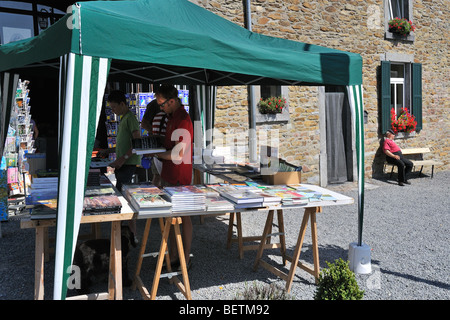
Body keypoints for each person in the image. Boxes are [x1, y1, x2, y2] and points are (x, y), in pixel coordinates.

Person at [152, 84, 194, 269]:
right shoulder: (171, 117)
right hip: (169, 172)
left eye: (162, 104)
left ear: (172, 101)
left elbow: (178, 153)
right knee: (171, 217)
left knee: (183, 217)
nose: (160, 108)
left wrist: (157, 153)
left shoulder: (183, 120)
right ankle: (174, 255)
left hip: (179, 175)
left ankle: (184, 258)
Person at [101, 90, 141, 237]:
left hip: (127, 164)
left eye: (114, 107)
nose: (113, 111)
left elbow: (137, 141)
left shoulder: (130, 118)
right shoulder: (124, 118)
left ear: (122, 104)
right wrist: (109, 149)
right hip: (122, 164)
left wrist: (123, 158)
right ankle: (127, 232)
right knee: (122, 196)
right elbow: (124, 143)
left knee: (123, 199)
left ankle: (128, 233)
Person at [140, 99, 168, 186]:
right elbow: (144, 124)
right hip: (158, 145)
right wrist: (156, 135)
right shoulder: (155, 105)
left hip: (162, 146)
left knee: (159, 175)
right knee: (158, 175)